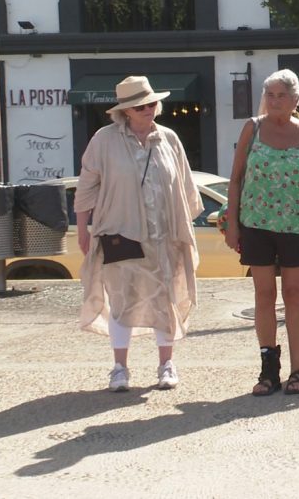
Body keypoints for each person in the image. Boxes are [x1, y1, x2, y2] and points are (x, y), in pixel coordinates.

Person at [75, 76, 203, 392]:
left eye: (151, 103)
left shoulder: (170, 139)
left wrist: (185, 227)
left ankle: (166, 365)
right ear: (126, 111)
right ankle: (119, 368)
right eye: (140, 105)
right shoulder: (104, 140)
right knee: (121, 300)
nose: (149, 109)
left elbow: (186, 185)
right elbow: (87, 185)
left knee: (166, 298)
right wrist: (82, 229)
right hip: (122, 232)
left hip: (164, 236)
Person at [226, 69, 299, 396]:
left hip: (295, 228)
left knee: (294, 294)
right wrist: (233, 224)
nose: (275, 101)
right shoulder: (252, 129)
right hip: (256, 225)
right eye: (271, 95)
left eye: (282, 96)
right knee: (263, 295)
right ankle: (269, 368)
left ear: (296, 101)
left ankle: (297, 369)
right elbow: (236, 178)